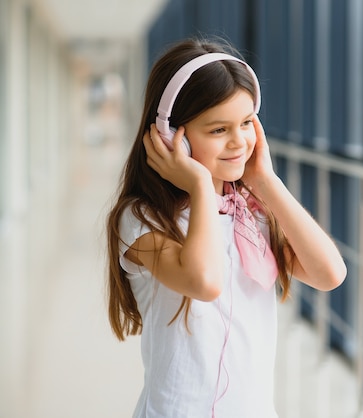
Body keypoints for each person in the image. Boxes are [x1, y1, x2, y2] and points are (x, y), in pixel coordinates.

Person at [105, 37, 346, 418]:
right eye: (218, 130)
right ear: (171, 137)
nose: (239, 141)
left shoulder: (254, 214)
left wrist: (266, 182)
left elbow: (329, 273)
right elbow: (204, 282)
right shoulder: (140, 219)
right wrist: (200, 186)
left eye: (247, 123)